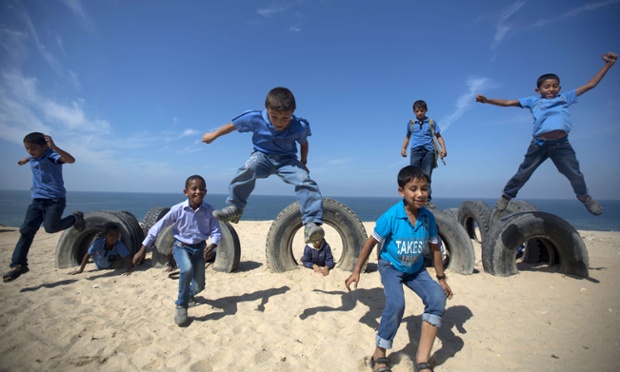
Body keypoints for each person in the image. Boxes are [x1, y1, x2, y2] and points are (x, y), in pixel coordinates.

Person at [476, 52, 618, 216]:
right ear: (538, 89)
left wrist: (608, 64)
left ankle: (584, 197)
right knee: (523, 173)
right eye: (547, 86)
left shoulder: (565, 98)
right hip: (539, 144)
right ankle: (506, 196)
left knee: (575, 174)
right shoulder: (533, 101)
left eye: (555, 86)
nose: (551, 89)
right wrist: (487, 100)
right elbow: (508, 102)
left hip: (561, 145)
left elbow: (591, 84)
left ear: (559, 87)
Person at [345, 165, 453, 372]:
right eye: (414, 189)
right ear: (401, 191)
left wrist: (441, 278)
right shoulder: (391, 216)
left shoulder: (428, 218)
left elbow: (435, 249)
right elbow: (370, 242)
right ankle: (380, 353)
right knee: (396, 303)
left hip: (416, 269)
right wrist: (357, 269)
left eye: (425, 188)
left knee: (437, 298)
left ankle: (422, 359)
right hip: (391, 266)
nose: (420, 194)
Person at [201, 87, 324, 243]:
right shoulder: (254, 118)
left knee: (305, 181)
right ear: (267, 109)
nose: (280, 122)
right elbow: (232, 125)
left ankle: (311, 224)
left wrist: (303, 163)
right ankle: (235, 208)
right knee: (247, 169)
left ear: (293, 111)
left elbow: (304, 143)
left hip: (287, 160)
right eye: (274, 116)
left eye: (285, 117)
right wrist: (213, 136)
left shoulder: (299, 126)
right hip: (262, 157)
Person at [132, 175, 221, 326]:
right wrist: (142, 249)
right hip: (181, 247)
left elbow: (216, 231)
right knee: (186, 270)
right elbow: (157, 227)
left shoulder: (209, 211)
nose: (198, 192)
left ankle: (189, 294)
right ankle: (181, 305)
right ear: (186, 192)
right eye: (194, 189)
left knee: (200, 286)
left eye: (202, 189)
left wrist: (212, 245)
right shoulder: (177, 210)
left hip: (199, 249)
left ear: (206, 192)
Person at [3, 132, 85, 283]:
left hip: (54, 200)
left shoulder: (51, 155)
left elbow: (71, 160)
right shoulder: (34, 155)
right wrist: (26, 159)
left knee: (51, 228)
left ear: (44, 146)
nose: (29, 151)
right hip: (37, 200)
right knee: (26, 231)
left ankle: (75, 217)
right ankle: (18, 265)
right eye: (27, 148)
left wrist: (54, 146)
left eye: (32, 148)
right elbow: (34, 157)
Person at [400, 100, 447, 208]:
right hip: (415, 151)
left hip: (428, 152)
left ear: (426, 110)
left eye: (421, 110)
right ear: (414, 112)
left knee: (426, 176)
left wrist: (443, 148)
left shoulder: (431, 122)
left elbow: (438, 136)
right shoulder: (411, 123)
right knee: (413, 176)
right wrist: (403, 148)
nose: (419, 113)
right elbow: (407, 136)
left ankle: (426, 200)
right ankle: (412, 197)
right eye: (417, 111)